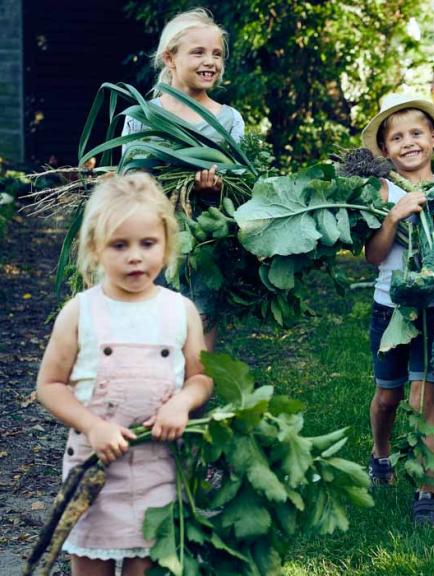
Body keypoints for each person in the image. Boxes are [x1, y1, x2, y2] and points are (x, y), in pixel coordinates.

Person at [36, 173, 213, 575]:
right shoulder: (80, 313)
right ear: (95, 249)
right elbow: (49, 385)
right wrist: (92, 425)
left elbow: (201, 377)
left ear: (167, 244)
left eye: (147, 244)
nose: (135, 256)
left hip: (159, 469)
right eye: (120, 245)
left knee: (146, 567)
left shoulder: (179, 311)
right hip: (94, 474)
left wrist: (183, 404)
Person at [122, 7, 245, 351]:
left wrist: (219, 188)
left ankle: (193, 401)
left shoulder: (230, 121)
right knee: (150, 339)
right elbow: (129, 181)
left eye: (217, 54)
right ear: (170, 58)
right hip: (150, 244)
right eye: (198, 52)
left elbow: (243, 185)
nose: (211, 61)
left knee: (198, 337)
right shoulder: (143, 117)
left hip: (205, 246)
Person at [361, 93, 434, 527]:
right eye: (396, 137)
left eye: (416, 133)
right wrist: (394, 216)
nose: (408, 142)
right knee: (388, 397)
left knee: (423, 399)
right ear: (385, 150)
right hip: (387, 310)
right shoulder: (381, 192)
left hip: (433, 311)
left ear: (433, 138)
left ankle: (426, 492)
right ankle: (380, 455)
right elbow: (374, 257)